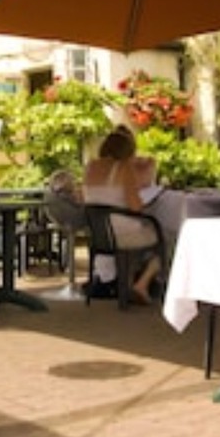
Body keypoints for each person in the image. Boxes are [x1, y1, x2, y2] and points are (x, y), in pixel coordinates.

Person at [82, 125, 162, 304]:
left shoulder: (90, 167)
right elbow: (136, 207)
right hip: (121, 232)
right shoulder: (123, 168)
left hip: (99, 234)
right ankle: (142, 283)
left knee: (148, 233)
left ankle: (127, 281)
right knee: (166, 237)